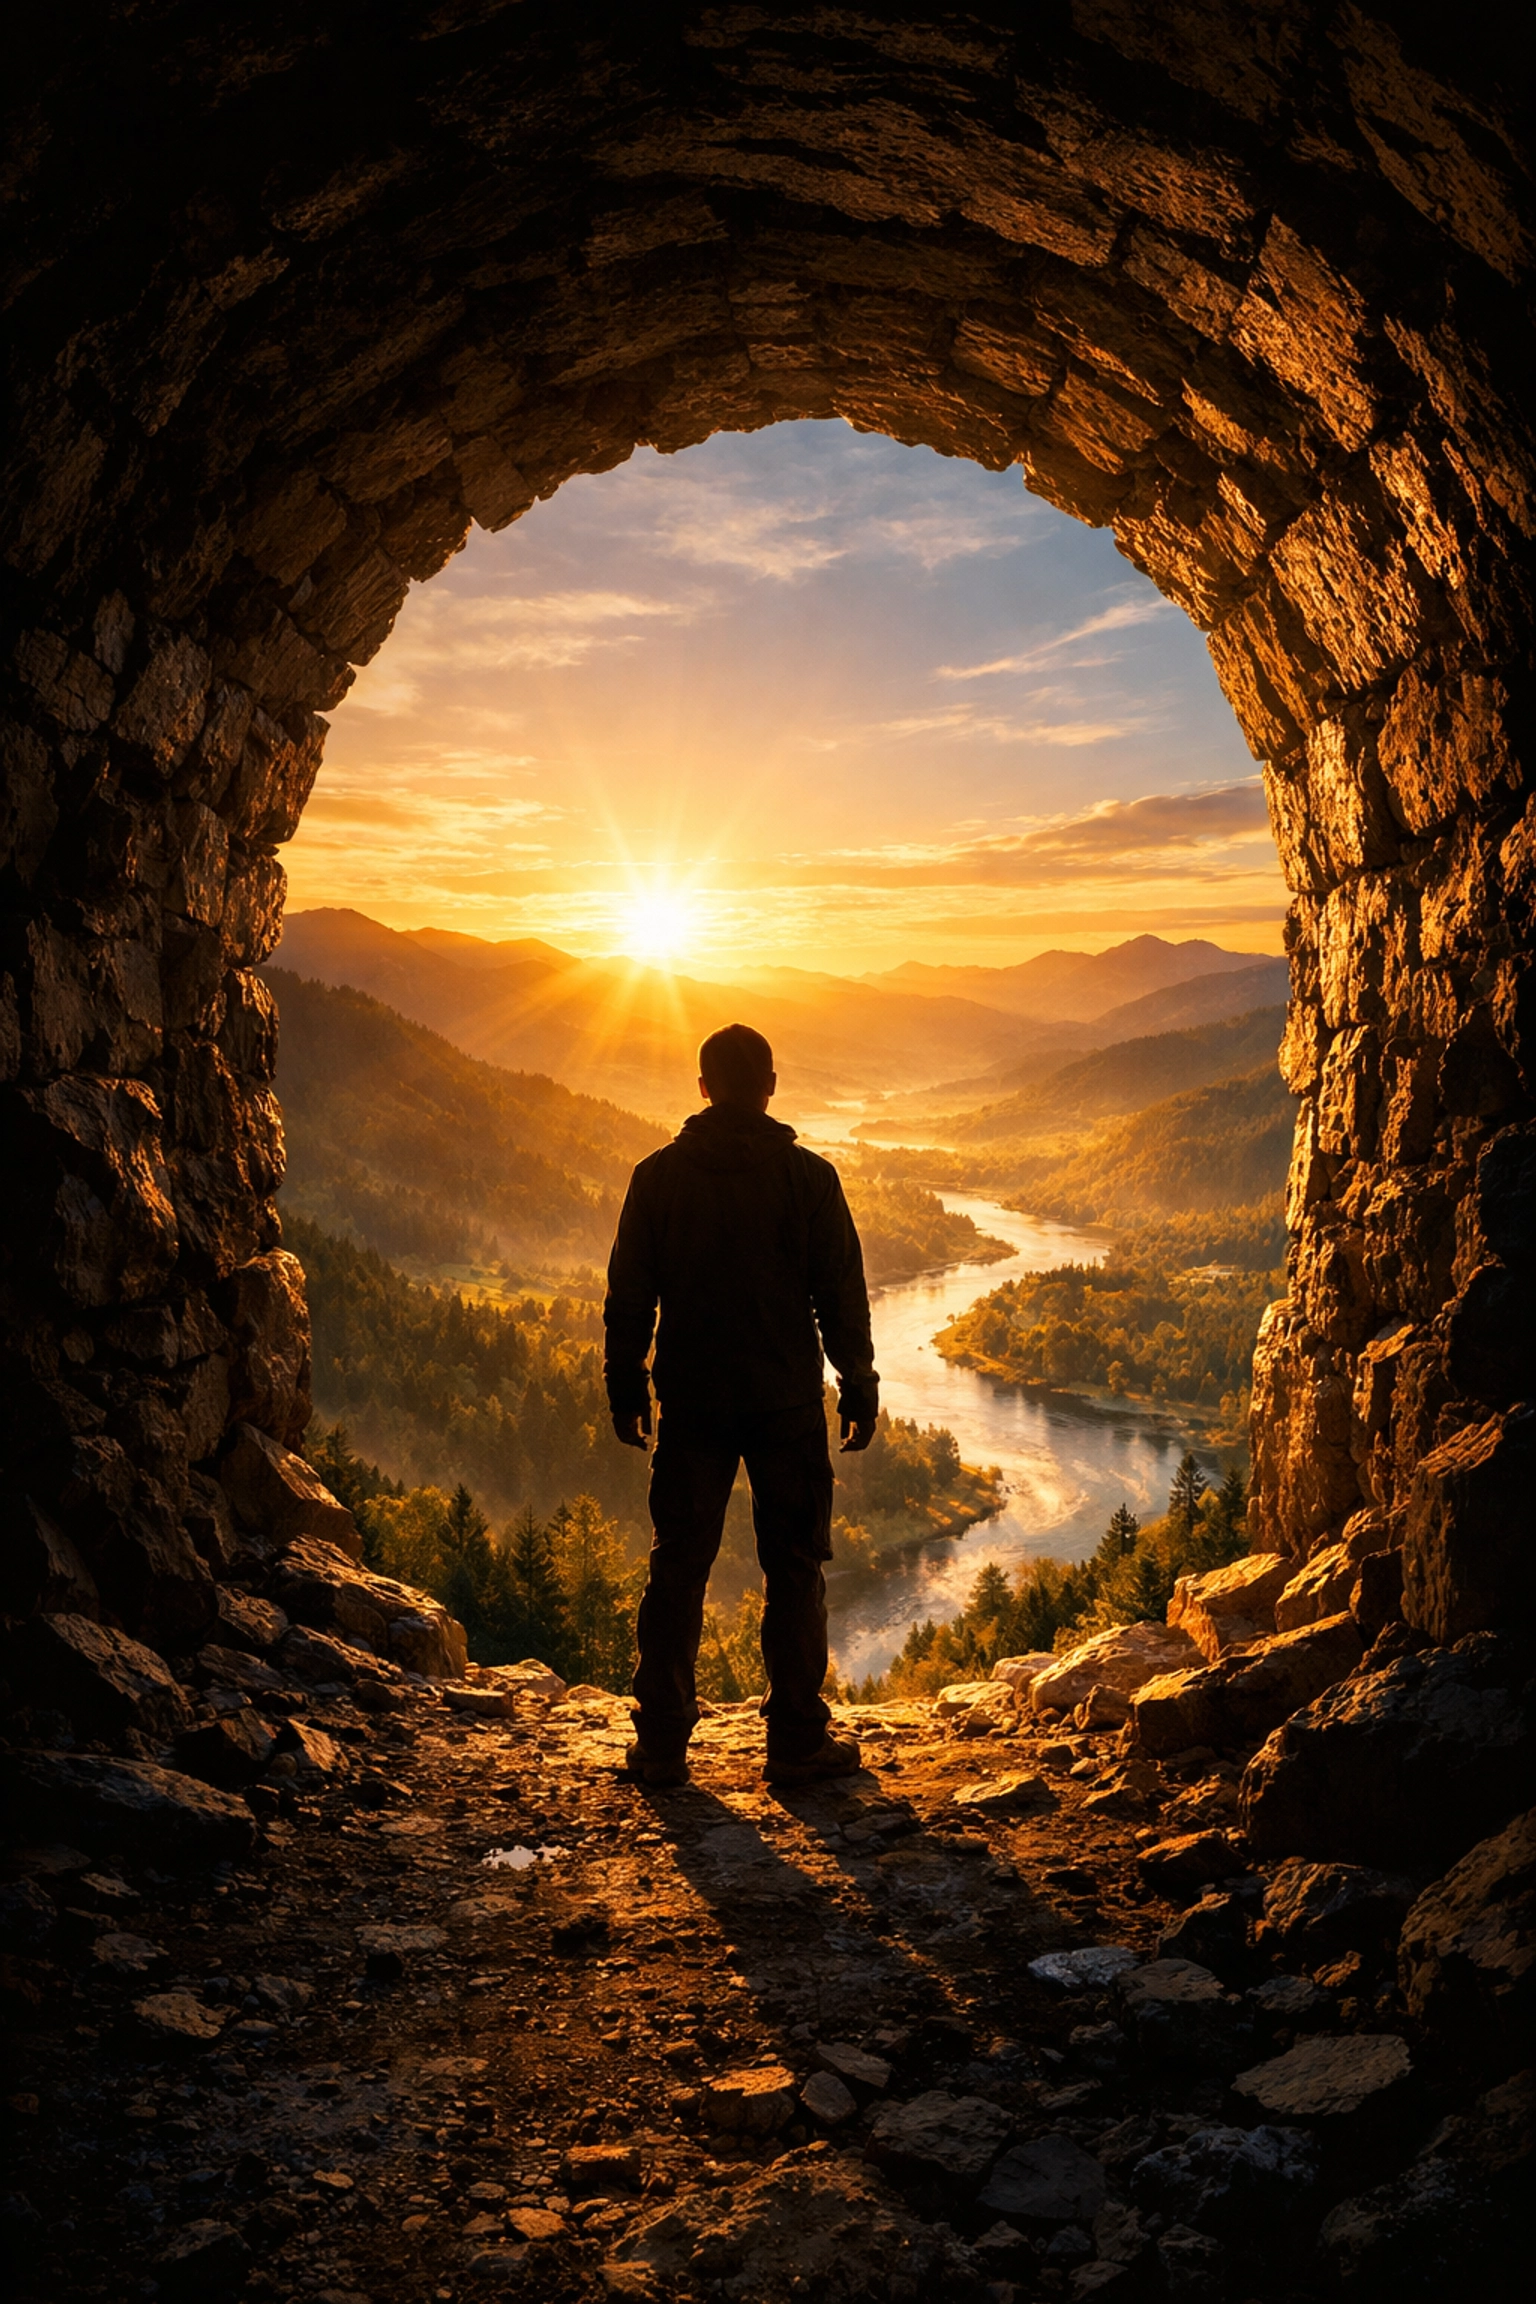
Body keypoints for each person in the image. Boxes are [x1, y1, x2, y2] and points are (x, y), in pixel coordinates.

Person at [604, 1022, 879, 1788]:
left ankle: (662, 1743)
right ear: (770, 1087)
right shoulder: (808, 1178)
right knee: (794, 1567)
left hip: (691, 1401)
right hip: (785, 1402)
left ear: (702, 1088)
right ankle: (795, 1742)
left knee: (677, 1567)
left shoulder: (657, 1177)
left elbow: (630, 1296)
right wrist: (858, 1383)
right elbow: (840, 1296)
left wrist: (626, 1385)